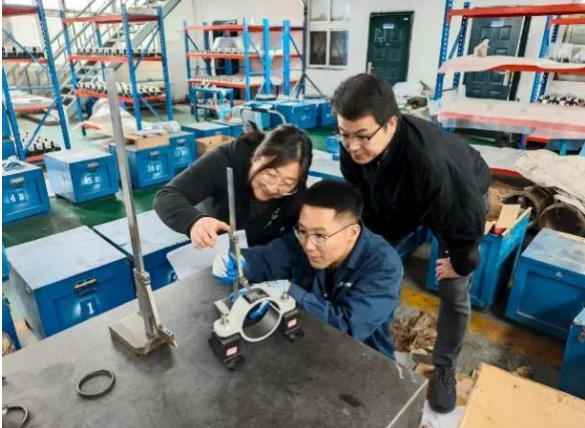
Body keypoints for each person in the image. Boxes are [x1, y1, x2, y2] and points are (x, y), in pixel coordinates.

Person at [332, 74, 491, 413]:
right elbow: (363, 202)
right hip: (398, 200)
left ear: (391, 124)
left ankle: (445, 366)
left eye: (362, 135)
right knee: (369, 265)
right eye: (344, 134)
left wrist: (460, 262)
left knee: (453, 289)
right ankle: (377, 349)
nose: (352, 146)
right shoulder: (353, 150)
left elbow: (466, 224)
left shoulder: (435, 164)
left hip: (456, 202)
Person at [212, 179, 403, 360]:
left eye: (320, 236)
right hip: (306, 340)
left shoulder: (384, 266)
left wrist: (288, 291)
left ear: (352, 233)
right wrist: (240, 261)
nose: (309, 246)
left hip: (365, 358)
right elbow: (267, 259)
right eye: (303, 231)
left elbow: (348, 326)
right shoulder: (302, 239)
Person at [154, 124, 313, 248]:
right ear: (256, 157)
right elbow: (168, 195)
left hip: (264, 251)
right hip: (217, 245)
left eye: (287, 183)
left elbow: (296, 228)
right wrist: (195, 221)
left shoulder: (296, 187)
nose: (273, 188)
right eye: (270, 175)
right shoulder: (224, 160)